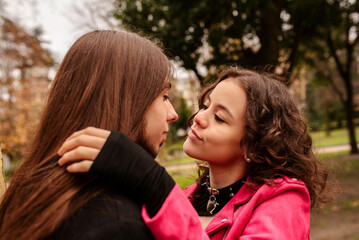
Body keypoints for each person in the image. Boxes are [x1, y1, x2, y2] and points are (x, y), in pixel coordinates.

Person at [57, 67, 331, 239]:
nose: (198, 117)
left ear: (254, 144)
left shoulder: (282, 197)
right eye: (206, 106)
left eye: (220, 118)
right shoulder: (184, 200)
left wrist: (153, 182)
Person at [0, 30, 178, 240]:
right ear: (128, 101)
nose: (173, 114)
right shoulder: (119, 223)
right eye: (164, 97)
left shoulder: (28, 193)